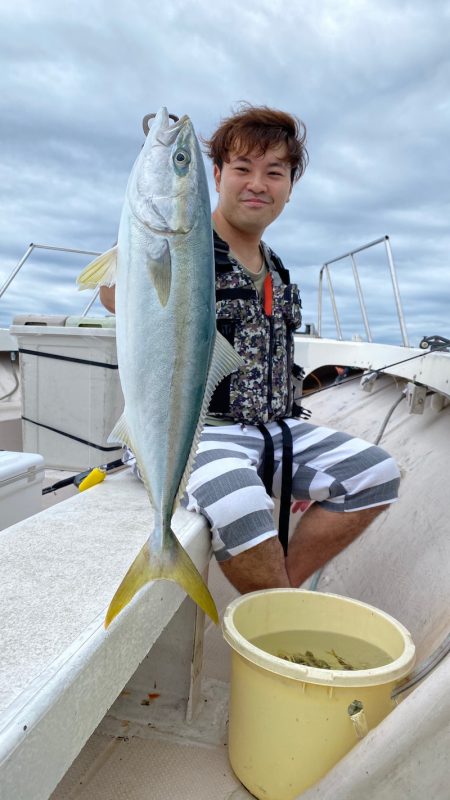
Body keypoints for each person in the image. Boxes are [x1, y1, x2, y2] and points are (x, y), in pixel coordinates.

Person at [100, 104, 400, 594]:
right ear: (215, 176)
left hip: (275, 428)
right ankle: (276, 609)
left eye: (274, 172)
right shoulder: (181, 242)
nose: (258, 183)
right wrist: (139, 245)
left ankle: (281, 594)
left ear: (288, 188)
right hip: (193, 432)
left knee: (375, 472)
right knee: (240, 503)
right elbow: (116, 295)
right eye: (242, 168)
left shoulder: (275, 265)